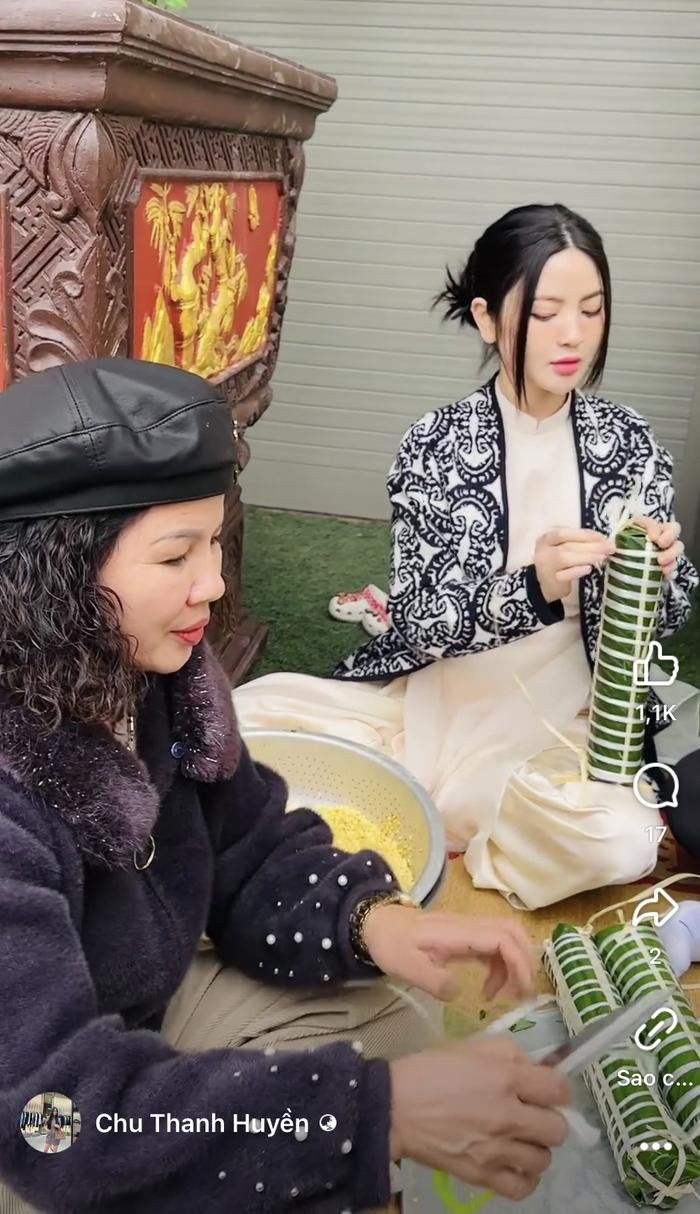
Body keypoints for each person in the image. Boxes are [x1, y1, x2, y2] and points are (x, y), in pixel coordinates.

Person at [0, 358, 571, 1213]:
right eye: (176, 554)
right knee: (359, 1116)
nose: (214, 583)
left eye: (213, 542)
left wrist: (374, 921)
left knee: (400, 1026)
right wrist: (366, 1117)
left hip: (137, 1023)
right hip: (40, 1132)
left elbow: (247, 843)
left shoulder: (142, 672)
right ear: (60, 573)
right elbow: (53, 1121)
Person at [234, 202, 699, 911]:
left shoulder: (630, 443)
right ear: (486, 318)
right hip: (441, 699)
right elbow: (419, 620)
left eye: (592, 310)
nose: (573, 335)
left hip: (567, 721)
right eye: (544, 313)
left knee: (620, 841)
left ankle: (436, 818)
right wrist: (533, 587)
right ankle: (451, 811)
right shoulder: (438, 441)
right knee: (244, 722)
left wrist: (659, 575)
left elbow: (666, 618)